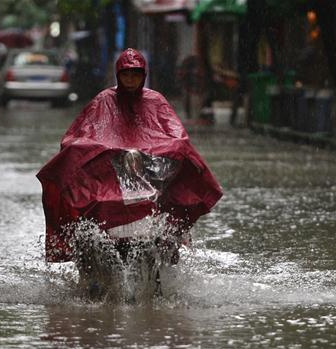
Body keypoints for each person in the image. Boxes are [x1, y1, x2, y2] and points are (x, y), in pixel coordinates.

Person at [37, 48, 223, 263]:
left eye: (135, 75)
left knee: (167, 219)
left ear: (143, 76)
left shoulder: (156, 101)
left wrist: (161, 151)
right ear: (118, 75)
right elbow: (78, 137)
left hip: (150, 174)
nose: (131, 80)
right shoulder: (103, 101)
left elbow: (177, 137)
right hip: (108, 177)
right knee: (90, 216)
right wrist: (93, 151)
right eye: (126, 75)